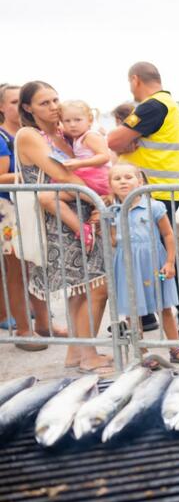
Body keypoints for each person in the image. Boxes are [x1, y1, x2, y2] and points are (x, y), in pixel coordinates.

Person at [15, 81, 112, 373]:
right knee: (90, 288)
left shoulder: (62, 133)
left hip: (78, 210)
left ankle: (77, 354)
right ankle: (88, 355)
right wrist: (98, 201)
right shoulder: (29, 135)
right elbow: (60, 173)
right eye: (44, 103)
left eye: (55, 99)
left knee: (82, 290)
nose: (54, 106)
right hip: (57, 219)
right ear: (28, 108)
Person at [107, 62, 179, 339]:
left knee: (165, 256)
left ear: (135, 79)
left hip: (152, 193)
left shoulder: (152, 106)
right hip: (153, 190)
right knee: (141, 256)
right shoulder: (168, 104)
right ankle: (147, 317)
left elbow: (113, 140)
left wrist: (124, 142)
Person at [108, 162, 179, 366]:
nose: (123, 181)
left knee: (164, 305)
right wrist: (100, 224)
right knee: (133, 309)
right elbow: (113, 240)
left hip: (155, 264)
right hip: (127, 266)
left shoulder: (154, 206)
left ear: (140, 181)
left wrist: (170, 262)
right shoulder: (112, 211)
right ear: (110, 184)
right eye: (117, 178)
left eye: (128, 177)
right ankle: (142, 352)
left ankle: (176, 348)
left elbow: (168, 234)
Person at [0, 83, 67, 348]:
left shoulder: (35, 133)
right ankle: (24, 330)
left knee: (37, 266)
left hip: (32, 206)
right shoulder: (3, 137)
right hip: (9, 209)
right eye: (13, 101)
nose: (18, 106)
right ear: (3, 107)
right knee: (17, 270)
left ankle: (42, 322)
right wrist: (33, 175)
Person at [36, 100, 112, 252]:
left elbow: (104, 156)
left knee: (59, 182)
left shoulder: (90, 136)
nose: (72, 125)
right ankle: (82, 229)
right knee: (45, 197)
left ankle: (101, 204)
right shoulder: (76, 136)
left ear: (90, 120)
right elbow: (60, 131)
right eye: (67, 121)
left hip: (97, 177)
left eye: (78, 120)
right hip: (86, 178)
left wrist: (80, 164)